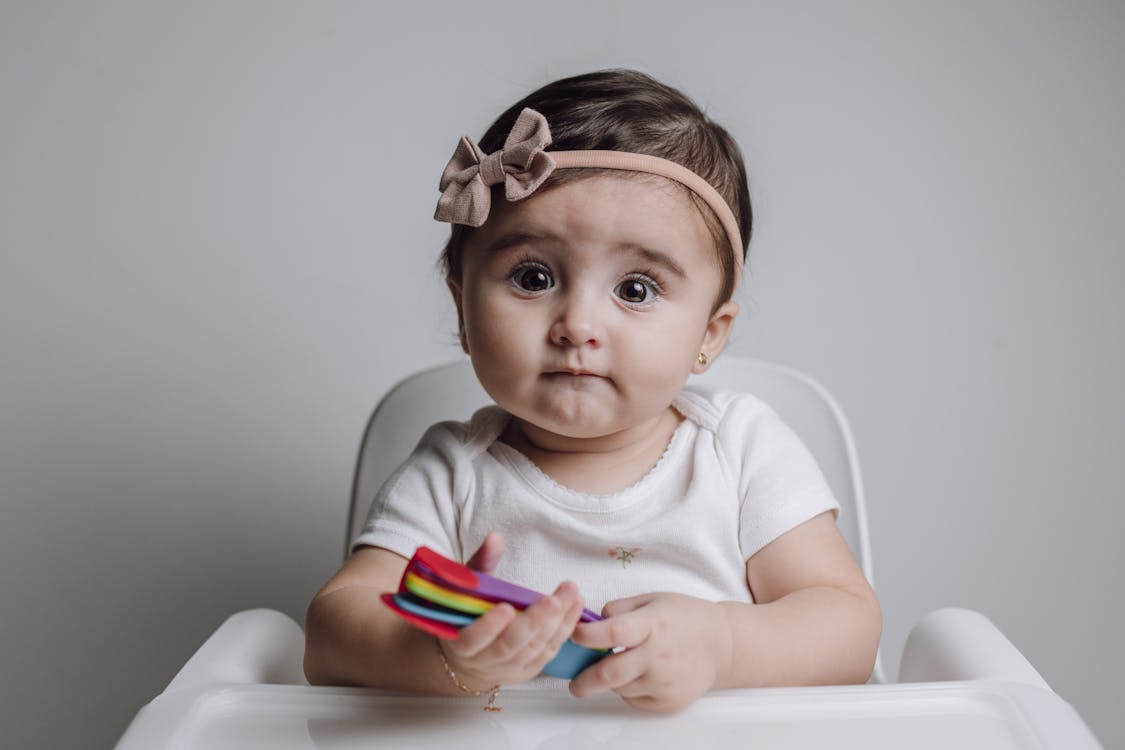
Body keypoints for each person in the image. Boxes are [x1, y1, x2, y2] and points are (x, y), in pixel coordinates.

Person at [304, 69, 881, 714]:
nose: (577, 325)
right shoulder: (452, 473)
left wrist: (723, 646)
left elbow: (849, 625)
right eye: (532, 276)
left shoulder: (740, 450)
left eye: (635, 289)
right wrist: (447, 659)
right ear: (462, 309)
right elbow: (332, 633)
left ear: (710, 335)